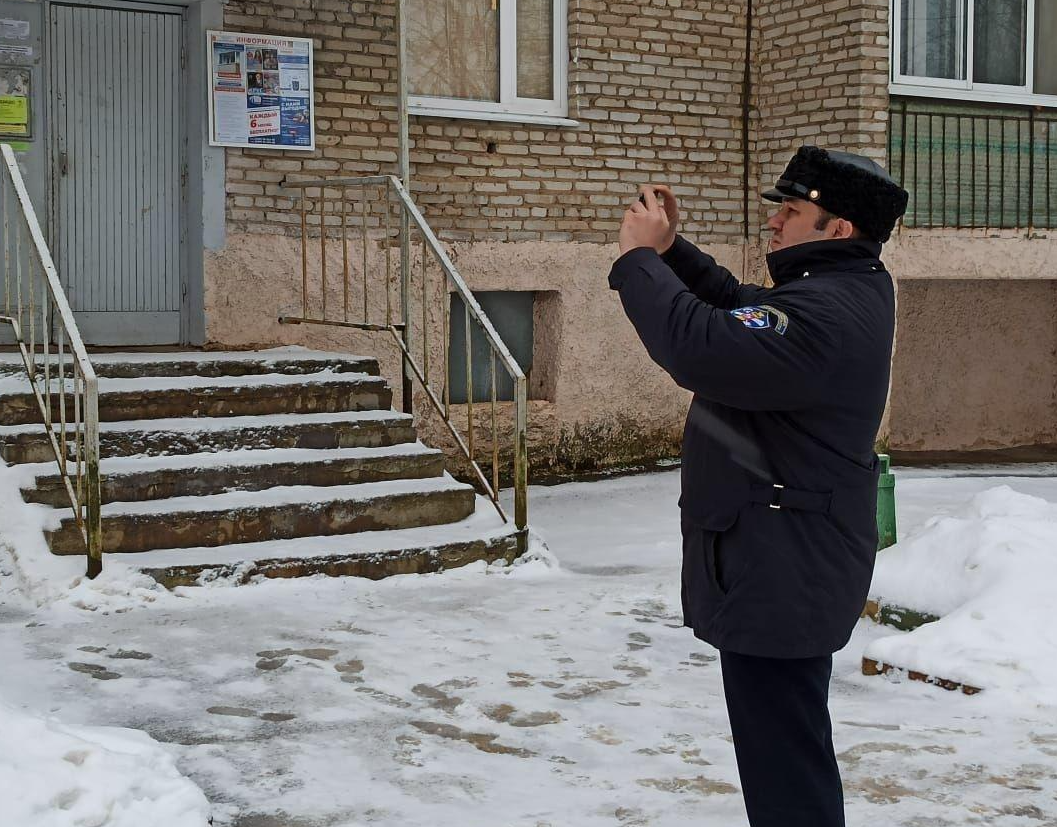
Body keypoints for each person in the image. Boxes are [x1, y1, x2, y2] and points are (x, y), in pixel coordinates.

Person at [608, 145, 909, 827]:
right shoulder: (843, 291)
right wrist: (673, 251)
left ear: (837, 229)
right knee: (787, 756)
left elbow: (701, 345)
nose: (772, 222)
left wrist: (636, 262)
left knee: (786, 774)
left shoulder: (824, 314)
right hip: (786, 563)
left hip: (784, 573)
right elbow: (741, 309)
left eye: (791, 210)